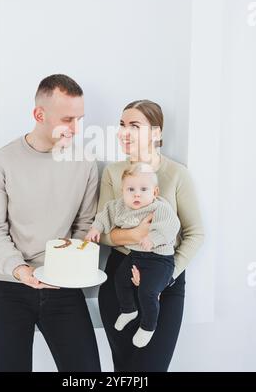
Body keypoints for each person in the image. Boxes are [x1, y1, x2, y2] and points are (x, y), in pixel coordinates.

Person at [0, 74, 101, 372]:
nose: (75, 129)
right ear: (39, 115)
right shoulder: (0, 162)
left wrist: (65, 267)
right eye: (67, 119)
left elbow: (85, 225)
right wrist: (21, 270)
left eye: (79, 119)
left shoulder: (84, 162)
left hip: (62, 284)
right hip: (8, 285)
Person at [97, 99, 204, 372]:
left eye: (134, 125)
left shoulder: (176, 174)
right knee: (124, 368)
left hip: (164, 280)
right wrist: (136, 233)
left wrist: (165, 279)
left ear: (156, 134)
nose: (124, 132)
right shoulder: (113, 172)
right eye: (122, 125)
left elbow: (195, 233)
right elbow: (106, 234)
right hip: (120, 276)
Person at [86, 162, 180, 348]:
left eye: (143, 189)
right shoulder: (119, 206)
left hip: (160, 259)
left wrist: (152, 239)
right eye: (131, 189)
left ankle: (148, 326)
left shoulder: (159, 208)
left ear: (154, 192)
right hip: (137, 255)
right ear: (123, 191)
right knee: (120, 279)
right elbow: (104, 215)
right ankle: (129, 310)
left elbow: (171, 227)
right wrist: (96, 228)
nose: (137, 194)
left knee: (148, 291)